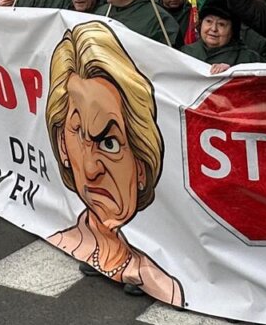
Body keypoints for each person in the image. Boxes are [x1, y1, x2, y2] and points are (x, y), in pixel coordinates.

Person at [46, 20, 184, 305]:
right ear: (62, 146)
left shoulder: (172, 284)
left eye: (110, 143)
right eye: (78, 136)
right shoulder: (61, 236)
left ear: (143, 163)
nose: (91, 169)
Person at [182, 0, 261, 73]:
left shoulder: (249, 59)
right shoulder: (185, 54)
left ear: (233, 30)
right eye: (209, 21)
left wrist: (233, 71)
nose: (213, 29)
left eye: (221, 24)